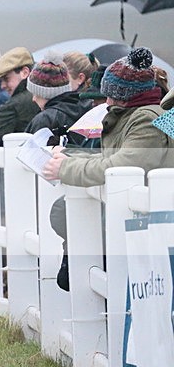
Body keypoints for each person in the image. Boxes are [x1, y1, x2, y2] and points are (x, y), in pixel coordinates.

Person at [43, 47, 174, 290]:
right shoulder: (135, 116)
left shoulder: (146, 120)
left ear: (123, 95)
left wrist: (66, 168)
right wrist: (71, 154)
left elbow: (122, 166)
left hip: (149, 227)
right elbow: (114, 157)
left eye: (109, 95)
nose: (106, 102)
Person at [24, 51, 90, 144]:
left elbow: (29, 154)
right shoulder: (87, 108)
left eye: (36, 94)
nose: (33, 99)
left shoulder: (45, 119)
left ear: (46, 93)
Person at [0, 46, 40, 140]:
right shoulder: (43, 95)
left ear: (25, 73)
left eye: (6, 79)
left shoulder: (17, 103)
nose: (2, 86)